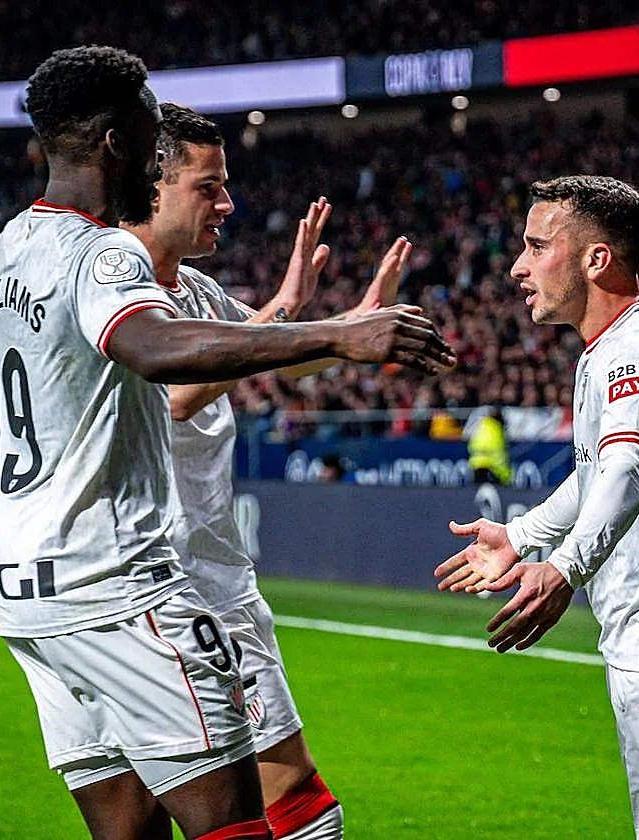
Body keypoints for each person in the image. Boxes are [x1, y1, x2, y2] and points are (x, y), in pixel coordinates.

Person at [0, 46, 454, 840]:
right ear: (118, 140)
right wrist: (336, 329)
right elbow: (158, 354)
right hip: (120, 582)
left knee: (129, 830)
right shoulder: (105, 254)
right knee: (245, 822)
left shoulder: (8, 248)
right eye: (149, 127)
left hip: (25, 594)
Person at [434, 175, 639, 840]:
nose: (518, 266)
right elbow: (596, 474)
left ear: (596, 259)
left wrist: (564, 569)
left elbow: (629, 465)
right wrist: (522, 535)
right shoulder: (611, 350)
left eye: (536, 247)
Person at [122, 102, 414, 839]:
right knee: (288, 806)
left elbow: (279, 352)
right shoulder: (115, 289)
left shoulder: (198, 292)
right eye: (208, 186)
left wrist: (348, 328)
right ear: (150, 187)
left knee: (165, 815)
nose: (227, 202)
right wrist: (287, 307)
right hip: (171, 588)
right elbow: (182, 394)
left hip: (210, 578)